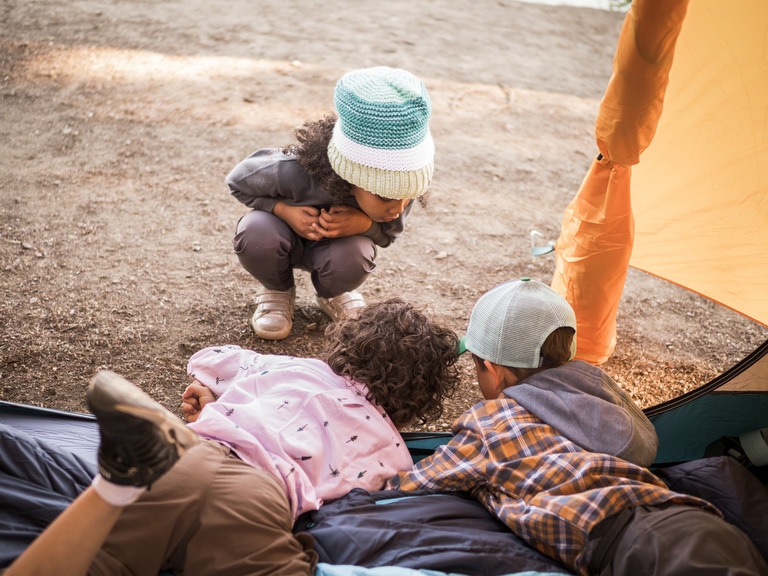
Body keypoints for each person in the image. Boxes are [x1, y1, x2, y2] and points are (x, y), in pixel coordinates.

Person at [5, 299, 460, 576]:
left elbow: (215, 357)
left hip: (181, 460)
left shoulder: (293, 367)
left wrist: (207, 385)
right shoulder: (391, 448)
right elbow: (374, 505)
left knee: (103, 562)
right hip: (256, 497)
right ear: (418, 398)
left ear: (347, 344)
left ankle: (124, 473)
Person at [387, 278, 768, 576]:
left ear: (493, 370)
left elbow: (411, 485)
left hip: (645, 547)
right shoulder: (595, 391)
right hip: (690, 522)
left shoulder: (491, 423)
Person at [227, 66, 435, 340]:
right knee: (256, 231)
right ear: (351, 175)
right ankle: (277, 289)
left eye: (407, 196)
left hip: (333, 254)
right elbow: (237, 181)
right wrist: (282, 210)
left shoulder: (400, 185)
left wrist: (366, 225)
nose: (397, 208)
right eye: (385, 197)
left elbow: (387, 236)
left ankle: (331, 294)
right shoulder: (293, 170)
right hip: (280, 239)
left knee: (358, 252)